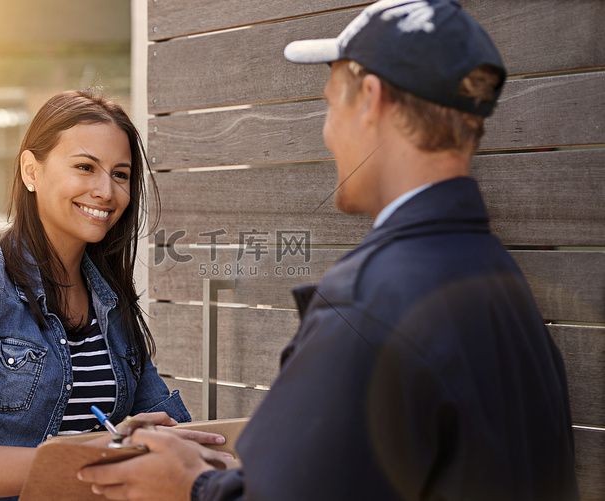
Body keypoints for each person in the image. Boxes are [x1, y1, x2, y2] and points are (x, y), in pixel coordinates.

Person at [76, 1, 580, 500]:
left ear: (371, 100)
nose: (327, 131)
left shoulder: (371, 303)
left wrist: (188, 485)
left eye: (330, 103)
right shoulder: (505, 287)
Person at [0, 90, 224, 501]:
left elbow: (168, 431)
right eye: (85, 167)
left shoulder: (111, 298)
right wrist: (99, 451)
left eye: (120, 175)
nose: (106, 191)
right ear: (31, 171)